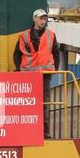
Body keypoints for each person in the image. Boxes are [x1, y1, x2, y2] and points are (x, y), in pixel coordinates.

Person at [13, 9, 60, 139]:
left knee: (44, 103)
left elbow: (56, 52)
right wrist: (19, 68)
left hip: (45, 74)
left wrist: (55, 68)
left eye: (45, 19)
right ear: (34, 19)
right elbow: (17, 53)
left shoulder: (51, 35)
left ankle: (45, 133)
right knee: (27, 103)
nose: (43, 21)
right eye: (41, 18)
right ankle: (26, 132)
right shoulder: (24, 36)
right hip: (28, 75)